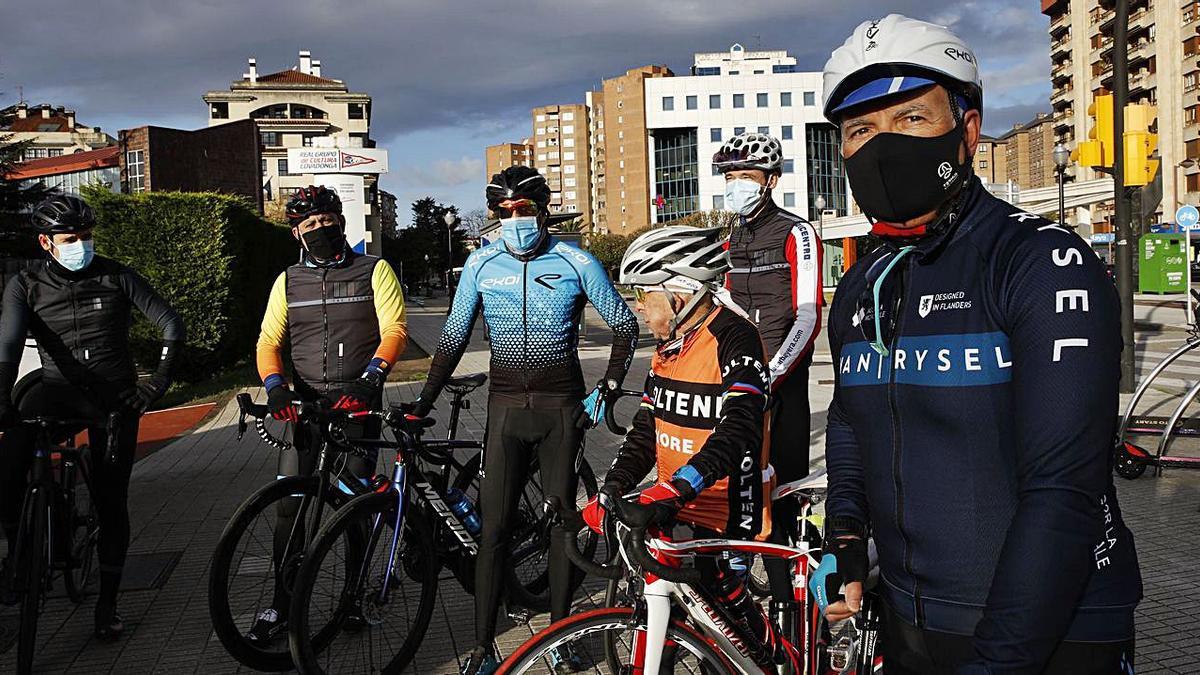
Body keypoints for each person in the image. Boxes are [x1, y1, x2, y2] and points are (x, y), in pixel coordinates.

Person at [813, 14, 1141, 673]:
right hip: (908, 622)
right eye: (860, 130)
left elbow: (1063, 493)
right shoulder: (859, 287)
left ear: (966, 131)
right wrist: (846, 536)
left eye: (910, 119)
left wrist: (996, 663)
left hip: (1057, 633)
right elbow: (850, 421)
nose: (881, 145)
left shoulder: (1040, 263)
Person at [413, 166, 639, 675]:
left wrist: (608, 386)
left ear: (541, 210)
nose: (515, 219)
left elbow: (624, 326)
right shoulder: (480, 263)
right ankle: (480, 648)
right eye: (506, 212)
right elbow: (451, 339)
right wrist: (423, 403)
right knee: (492, 529)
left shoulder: (574, 260)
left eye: (524, 210)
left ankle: (561, 638)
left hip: (562, 407)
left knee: (562, 524)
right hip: (506, 408)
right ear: (496, 215)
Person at [0, 194, 185, 640]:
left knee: (110, 500)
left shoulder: (116, 274)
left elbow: (170, 324)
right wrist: (3, 402)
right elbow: (7, 346)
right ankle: (25, 553)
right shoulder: (25, 284)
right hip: (55, 393)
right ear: (46, 242)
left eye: (86, 236)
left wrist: (156, 383)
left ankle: (107, 601)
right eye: (71, 238)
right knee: (7, 473)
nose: (81, 244)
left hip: (113, 399)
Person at [598, 226, 784, 668]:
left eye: (644, 295)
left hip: (726, 517)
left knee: (732, 655)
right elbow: (647, 426)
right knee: (664, 633)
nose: (639, 307)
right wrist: (614, 484)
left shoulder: (735, 337)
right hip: (675, 512)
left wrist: (681, 484)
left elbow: (741, 426)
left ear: (678, 296)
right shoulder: (668, 345)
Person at [249, 185, 407, 643]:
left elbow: (394, 329)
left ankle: (354, 596)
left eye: (326, 220)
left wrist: (373, 378)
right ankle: (281, 605)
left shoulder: (373, 270)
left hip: (357, 405)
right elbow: (267, 341)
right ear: (296, 233)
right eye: (309, 224)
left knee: (354, 507)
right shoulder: (286, 281)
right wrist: (275, 386)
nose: (320, 230)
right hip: (306, 410)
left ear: (340, 220)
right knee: (289, 511)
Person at [715, 131, 823, 632]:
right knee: (739, 500)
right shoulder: (730, 238)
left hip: (783, 390)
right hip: (743, 391)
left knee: (782, 507)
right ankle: (741, 608)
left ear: (772, 180)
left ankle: (797, 611)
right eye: (730, 176)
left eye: (746, 176)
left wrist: (771, 373)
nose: (736, 185)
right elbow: (724, 310)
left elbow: (806, 314)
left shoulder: (796, 232)